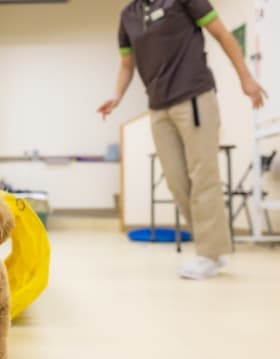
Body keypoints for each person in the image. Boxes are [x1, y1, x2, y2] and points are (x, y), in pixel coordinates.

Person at [98, 0, 267, 279]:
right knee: (176, 182)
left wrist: (245, 78)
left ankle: (209, 254)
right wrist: (116, 97)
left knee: (204, 177)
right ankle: (212, 248)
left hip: (194, 96)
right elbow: (127, 64)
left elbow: (223, 34)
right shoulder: (127, 16)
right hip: (158, 106)